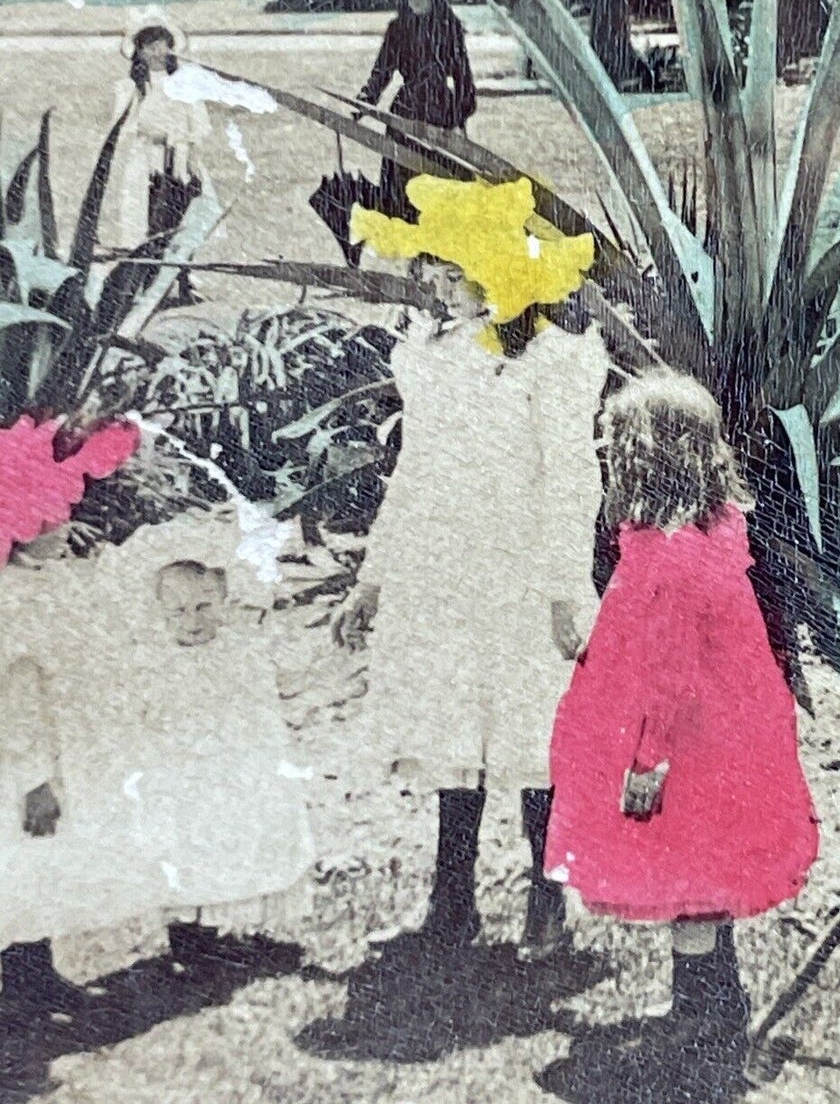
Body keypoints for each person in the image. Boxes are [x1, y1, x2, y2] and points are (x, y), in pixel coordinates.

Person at [340, 177, 606, 957]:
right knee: (454, 728)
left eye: (453, 272)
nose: (437, 285)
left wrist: (563, 586)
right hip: (446, 565)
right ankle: (450, 900)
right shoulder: (432, 356)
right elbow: (413, 469)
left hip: (521, 570)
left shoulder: (553, 362)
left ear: (500, 271)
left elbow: (571, 478)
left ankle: (546, 896)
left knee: (529, 735)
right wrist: (373, 576)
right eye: (433, 272)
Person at [544, 373, 819, 1091]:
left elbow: (667, 672)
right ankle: (715, 1008)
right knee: (705, 872)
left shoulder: (666, 555)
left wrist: (646, 759)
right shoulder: (716, 527)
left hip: (689, 743)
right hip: (730, 732)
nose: (604, 451)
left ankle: (701, 1020)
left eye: (614, 444)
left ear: (645, 458)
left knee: (687, 876)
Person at [0, 512, 315, 1014]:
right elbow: (18, 697)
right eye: (49, 520)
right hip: (21, 757)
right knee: (20, 866)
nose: (64, 528)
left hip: (44, 744)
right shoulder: (14, 598)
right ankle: (24, 989)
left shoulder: (43, 583)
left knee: (36, 869)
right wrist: (36, 776)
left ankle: (34, 980)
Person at [357, 0, 477, 220]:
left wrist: (458, 119)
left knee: (444, 184)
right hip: (406, 112)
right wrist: (363, 102)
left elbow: (463, 79)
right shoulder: (397, 28)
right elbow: (381, 73)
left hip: (440, 114)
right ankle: (408, 240)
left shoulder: (449, 27)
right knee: (403, 185)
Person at [108, 12, 218, 302]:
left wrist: (190, 152)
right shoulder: (133, 87)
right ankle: (146, 280)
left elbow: (198, 125)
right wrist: (152, 132)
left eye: (162, 45)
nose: (157, 52)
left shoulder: (184, 83)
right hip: (149, 160)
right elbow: (124, 127)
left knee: (183, 215)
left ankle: (183, 278)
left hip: (180, 159)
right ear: (139, 51)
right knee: (150, 220)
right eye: (150, 46)